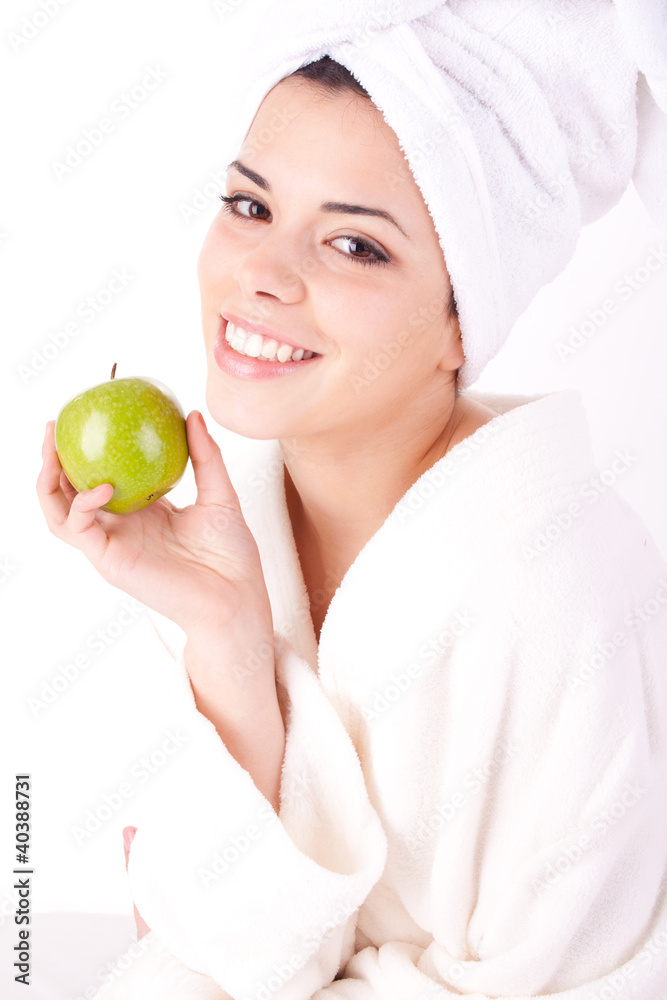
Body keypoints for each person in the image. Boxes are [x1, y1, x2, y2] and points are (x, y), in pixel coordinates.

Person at [37, 2, 667, 997]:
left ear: (466, 319)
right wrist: (230, 638)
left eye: (355, 246)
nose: (261, 274)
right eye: (249, 206)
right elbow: (236, 951)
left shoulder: (563, 585)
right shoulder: (211, 528)